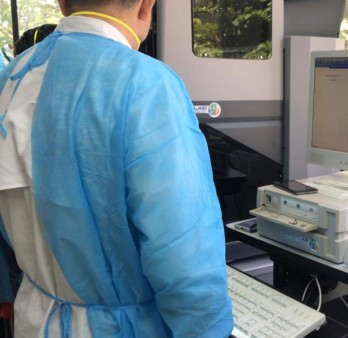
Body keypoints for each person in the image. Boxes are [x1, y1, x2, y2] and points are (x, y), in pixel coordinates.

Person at [0, 0, 233, 337]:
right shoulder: (147, 83)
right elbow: (184, 256)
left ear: (62, 4)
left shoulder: (9, 81)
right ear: (146, 5)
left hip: (34, 317)